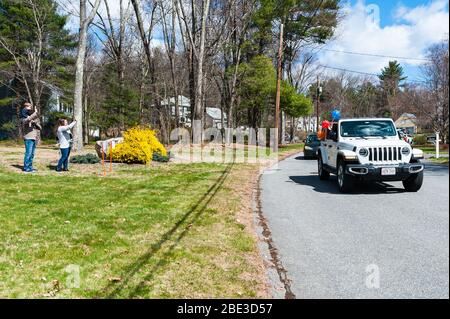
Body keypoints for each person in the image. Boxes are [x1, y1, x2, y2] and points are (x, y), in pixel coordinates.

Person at [20, 102, 40, 173]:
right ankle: (26, 168)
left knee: (32, 154)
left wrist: (35, 123)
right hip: (28, 138)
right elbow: (27, 120)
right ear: (25, 107)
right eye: (29, 107)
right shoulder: (23, 119)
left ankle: (30, 167)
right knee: (28, 153)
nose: (30, 109)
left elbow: (40, 128)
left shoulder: (31, 119)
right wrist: (35, 113)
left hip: (33, 138)